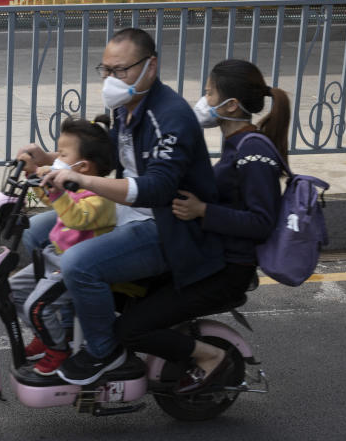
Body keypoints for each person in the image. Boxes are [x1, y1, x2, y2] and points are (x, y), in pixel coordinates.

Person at [38, 28, 225, 385]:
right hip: (128, 212)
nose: (110, 79)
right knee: (36, 232)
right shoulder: (127, 106)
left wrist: (84, 182)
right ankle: (55, 334)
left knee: (78, 263)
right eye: (105, 70)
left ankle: (103, 350)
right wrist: (47, 159)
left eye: (120, 70)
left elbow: (157, 188)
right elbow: (101, 158)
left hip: (169, 226)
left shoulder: (171, 117)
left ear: (149, 67)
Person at [114, 59, 291, 393]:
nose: (203, 100)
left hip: (226, 270)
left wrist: (202, 210)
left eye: (209, 93)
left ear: (232, 104)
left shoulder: (255, 152)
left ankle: (211, 357)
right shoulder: (236, 143)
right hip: (205, 257)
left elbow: (262, 222)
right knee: (121, 291)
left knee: (130, 329)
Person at [11, 116, 118, 375]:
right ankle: (46, 333)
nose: (56, 158)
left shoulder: (100, 199)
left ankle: (57, 348)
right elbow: (54, 202)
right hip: (54, 257)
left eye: (63, 154)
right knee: (12, 291)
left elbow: (76, 217)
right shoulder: (74, 185)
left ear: (83, 167)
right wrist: (34, 177)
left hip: (71, 266)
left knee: (37, 306)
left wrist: (56, 189)